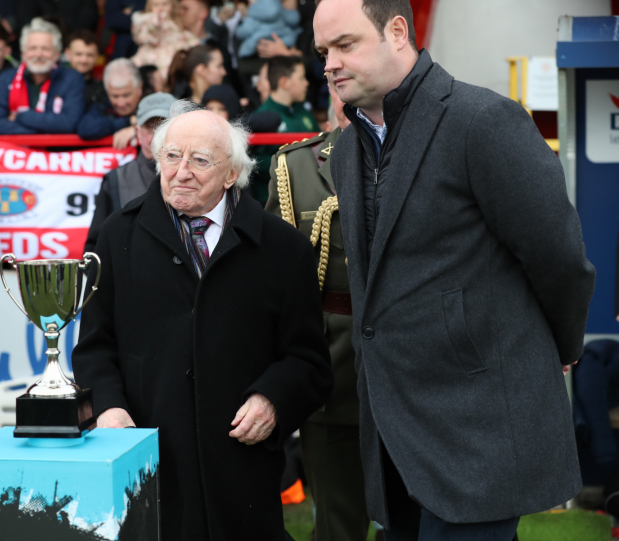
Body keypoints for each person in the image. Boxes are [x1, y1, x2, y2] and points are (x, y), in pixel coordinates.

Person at [313, 0, 596, 539]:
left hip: (478, 432)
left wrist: (556, 347)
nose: (329, 63)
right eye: (323, 51)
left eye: (344, 45)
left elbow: (558, 256)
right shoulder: (348, 149)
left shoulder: (483, 120)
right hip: (394, 439)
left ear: (397, 32)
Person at [72, 101, 333, 541]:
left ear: (232, 173)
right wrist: (109, 408)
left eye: (200, 160)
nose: (182, 172)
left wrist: (272, 399)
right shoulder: (118, 235)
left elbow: (308, 360)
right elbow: (95, 347)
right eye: (172, 157)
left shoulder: (282, 248)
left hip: (242, 471)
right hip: (149, 463)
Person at [266, 84, 372, 541]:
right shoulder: (296, 166)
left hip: (414, 363)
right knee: (337, 520)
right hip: (333, 362)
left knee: (422, 514)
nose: (345, 88)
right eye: (335, 80)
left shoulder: (424, 152)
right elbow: (272, 276)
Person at [84, 91, 176, 253]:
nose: (153, 138)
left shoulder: (196, 176)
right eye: (148, 128)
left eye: (161, 128)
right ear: (138, 132)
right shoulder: (115, 180)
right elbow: (95, 249)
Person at [0, 17, 85, 135]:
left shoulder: (72, 79)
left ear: (57, 54)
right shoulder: (7, 78)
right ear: (23, 53)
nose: (38, 54)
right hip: (16, 152)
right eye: (32, 48)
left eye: (45, 48)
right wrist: (39, 132)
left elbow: (69, 123)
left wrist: (21, 117)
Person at [252, 54, 318, 204]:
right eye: (301, 78)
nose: (306, 83)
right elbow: (254, 162)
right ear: (284, 82)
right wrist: (294, 164)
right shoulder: (262, 119)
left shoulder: (304, 113)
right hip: (274, 205)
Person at [77, 58, 143, 148]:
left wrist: (138, 130)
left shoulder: (152, 102)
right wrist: (126, 122)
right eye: (115, 96)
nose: (121, 103)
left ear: (139, 88)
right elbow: (86, 129)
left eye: (126, 95)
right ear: (107, 91)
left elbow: (163, 123)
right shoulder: (101, 103)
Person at [130, 0, 198, 85]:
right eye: (156, 5)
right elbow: (144, 37)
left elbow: (182, 35)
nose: (160, 8)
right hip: (154, 53)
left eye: (164, 4)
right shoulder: (149, 20)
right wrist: (154, 24)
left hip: (173, 51)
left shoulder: (176, 21)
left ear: (172, 6)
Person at [235, 0, 300, 59]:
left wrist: (244, 17)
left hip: (257, 49)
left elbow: (242, 32)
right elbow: (293, 19)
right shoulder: (280, 10)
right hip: (284, 42)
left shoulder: (253, 16)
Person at [64, 29, 104, 107]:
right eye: (78, 54)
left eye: (89, 55)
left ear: (97, 56)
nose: (84, 60)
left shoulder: (102, 90)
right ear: (67, 54)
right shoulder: (54, 84)